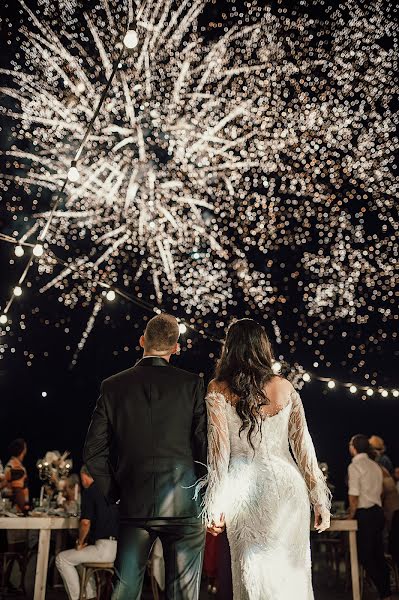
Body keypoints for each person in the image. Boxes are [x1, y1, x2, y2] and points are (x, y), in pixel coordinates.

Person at [197, 319, 331, 600]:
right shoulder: (284, 387)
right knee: (292, 575)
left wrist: (215, 505)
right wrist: (318, 497)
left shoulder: (217, 389)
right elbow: (304, 446)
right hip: (288, 487)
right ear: (263, 348)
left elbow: (219, 453)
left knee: (251, 575)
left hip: (245, 491)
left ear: (229, 349)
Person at [83, 313, 207, 600]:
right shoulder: (191, 384)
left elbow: (93, 450)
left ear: (142, 341)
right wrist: (203, 495)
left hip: (133, 504)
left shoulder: (113, 386)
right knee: (184, 594)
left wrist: (115, 491)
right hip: (184, 506)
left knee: (125, 590)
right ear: (177, 347)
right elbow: (203, 445)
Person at [55, 465, 118, 600]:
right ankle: (90, 596)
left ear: (84, 475)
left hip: (103, 549)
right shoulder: (112, 491)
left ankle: (78, 598)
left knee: (62, 559)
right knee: (78, 560)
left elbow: (85, 523)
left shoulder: (91, 491)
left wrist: (80, 542)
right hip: (119, 548)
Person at [348, 434, 391, 600]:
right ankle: (386, 593)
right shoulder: (375, 466)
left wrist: (351, 515)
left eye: (350, 444)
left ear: (354, 447)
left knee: (365, 556)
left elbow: (354, 495)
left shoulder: (354, 466)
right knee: (378, 555)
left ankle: (383, 589)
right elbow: (380, 492)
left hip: (365, 514)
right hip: (377, 513)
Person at [4, 438, 29, 512]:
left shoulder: (11, 463)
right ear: (23, 450)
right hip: (16, 510)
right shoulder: (16, 466)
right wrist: (23, 509)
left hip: (10, 508)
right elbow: (17, 489)